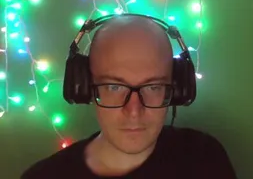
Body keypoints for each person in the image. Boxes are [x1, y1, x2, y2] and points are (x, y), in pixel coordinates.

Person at [21, 15, 237, 178]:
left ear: (178, 89)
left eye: (153, 87)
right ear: (85, 87)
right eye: (114, 87)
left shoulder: (205, 157)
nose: (134, 111)